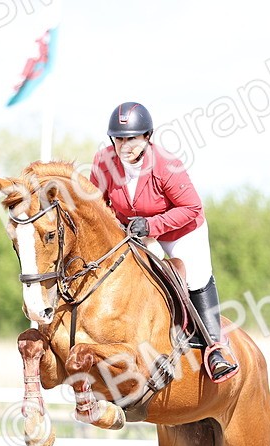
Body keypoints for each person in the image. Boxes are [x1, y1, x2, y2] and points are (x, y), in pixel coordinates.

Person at [89, 101, 238, 382]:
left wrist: (152, 225)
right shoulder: (103, 162)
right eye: (119, 139)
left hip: (182, 231)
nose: (125, 146)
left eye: (132, 138)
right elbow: (97, 205)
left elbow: (191, 207)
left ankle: (214, 349)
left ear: (147, 137)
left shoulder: (166, 165)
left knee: (193, 278)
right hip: (135, 233)